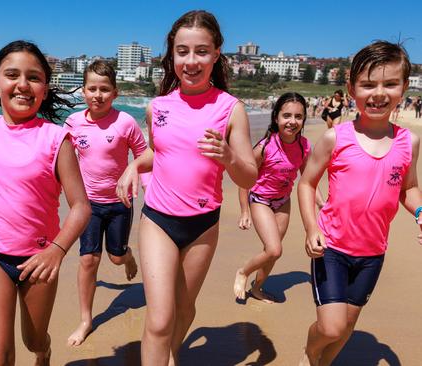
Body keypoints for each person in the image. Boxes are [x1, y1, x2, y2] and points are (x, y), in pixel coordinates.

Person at [116, 10, 257, 365]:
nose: (191, 61)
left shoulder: (231, 109)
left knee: (184, 309)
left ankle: (172, 355)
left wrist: (227, 156)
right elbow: (159, 150)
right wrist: (134, 164)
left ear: (216, 54)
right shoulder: (157, 107)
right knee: (160, 318)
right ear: (172, 55)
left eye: (201, 51)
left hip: (203, 226)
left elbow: (249, 177)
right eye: (182, 51)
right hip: (158, 221)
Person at [0, 40, 91, 366]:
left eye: (34, 77)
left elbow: (81, 206)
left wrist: (57, 249)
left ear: (45, 88)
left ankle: (45, 352)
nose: (23, 84)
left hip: (40, 258)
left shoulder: (56, 139)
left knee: (33, 339)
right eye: (12, 75)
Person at [298, 41, 422, 366]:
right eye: (368, 84)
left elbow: (408, 189)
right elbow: (307, 183)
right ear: (352, 89)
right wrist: (311, 227)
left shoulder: (409, 142)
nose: (378, 93)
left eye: (390, 84)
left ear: (404, 87)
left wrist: (421, 211)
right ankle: (310, 353)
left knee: (348, 326)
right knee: (331, 325)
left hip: (372, 253)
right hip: (332, 247)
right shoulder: (336, 138)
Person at [64, 60, 146, 347]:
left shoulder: (125, 122)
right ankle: (86, 319)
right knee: (88, 259)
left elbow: (143, 154)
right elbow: (59, 161)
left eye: (104, 89)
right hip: (86, 205)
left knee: (116, 257)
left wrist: (137, 176)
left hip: (119, 202)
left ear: (115, 92)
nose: (98, 94)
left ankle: (128, 255)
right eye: (92, 88)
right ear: (83, 91)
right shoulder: (73, 123)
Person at [233, 92, 322, 303]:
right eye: (287, 116)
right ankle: (243, 272)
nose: (292, 122)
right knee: (275, 249)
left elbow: (308, 179)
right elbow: (244, 180)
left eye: (298, 117)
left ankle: (257, 288)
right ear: (276, 118)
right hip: (261, 201)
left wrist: (321, 202)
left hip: (283, 202)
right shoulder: (265, 147)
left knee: (271, 252)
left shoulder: (303, 146)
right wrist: (244, 211)